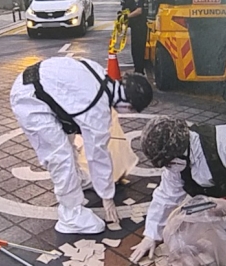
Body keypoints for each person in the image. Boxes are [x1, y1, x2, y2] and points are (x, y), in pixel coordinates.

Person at [10, 57, 153, 234]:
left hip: (37, 86)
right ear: (128, 105)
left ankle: (76, 178)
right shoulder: (97, 109)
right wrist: (107, 197)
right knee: (60, 156)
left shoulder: (99, 73)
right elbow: (97, 156)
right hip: (30, 101)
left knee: (67, 140)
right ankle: (70, 215)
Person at [129, 116, 226, 263]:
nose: (169, 168)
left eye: (169, 163)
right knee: (208, 236)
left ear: (180, 152)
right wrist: (151, 235)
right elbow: (166, 196)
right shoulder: (177, 160)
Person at [119, 0, 148, 75]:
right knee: (135, 49)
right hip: (135, 26)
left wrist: (126, 16)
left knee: (138, 49)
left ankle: (139, 71)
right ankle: (137, 69)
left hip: (140, 26)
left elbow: (139, 10)